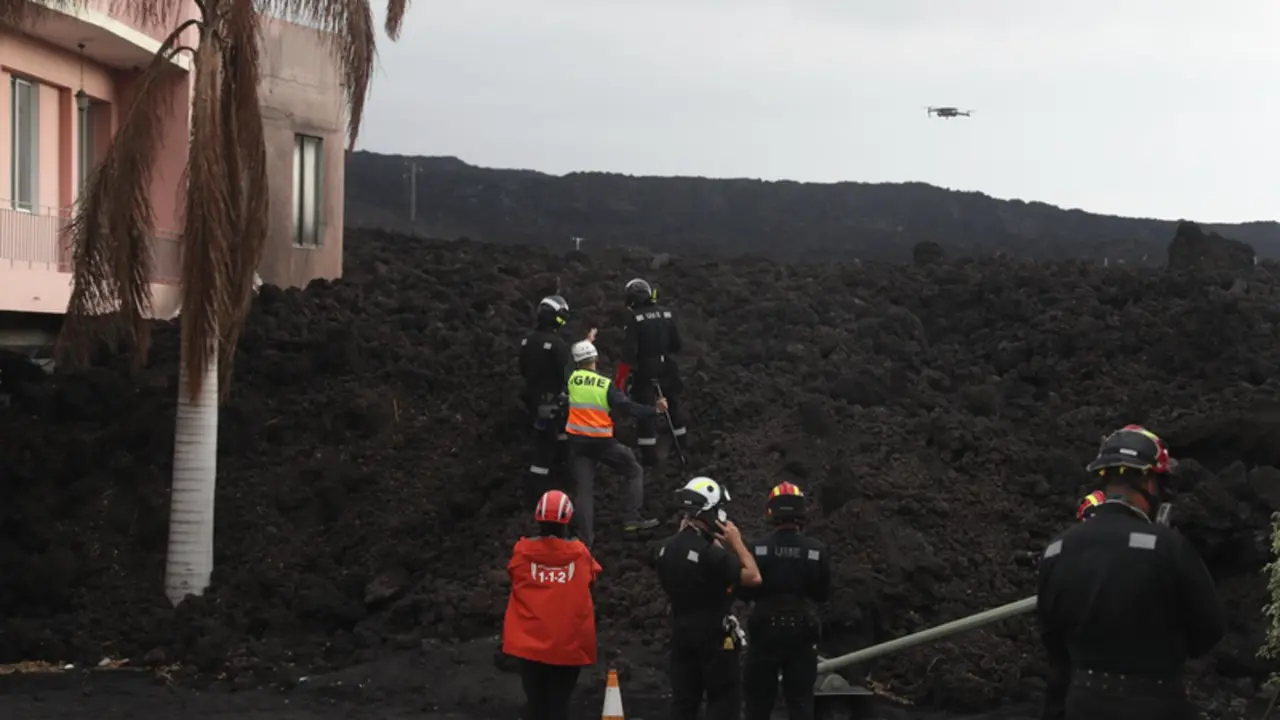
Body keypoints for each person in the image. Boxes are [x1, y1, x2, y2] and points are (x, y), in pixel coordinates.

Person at [1036, 425, 1225, 720]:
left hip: (1081, 703)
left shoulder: (1056, 550)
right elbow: (1209, 630)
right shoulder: (1167, 548)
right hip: (1154, 704)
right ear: (1149, 482)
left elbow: (1052, 639)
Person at [654, 476, 763, 720]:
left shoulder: (664, 549)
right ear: (709, 511)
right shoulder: (710, 555)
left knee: (684, 702)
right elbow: (753, 577)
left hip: (681, 634)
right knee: (723, 701)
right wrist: (737, 543)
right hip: (714, 637)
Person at [502, 490, 602, 720]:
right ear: (568, 518)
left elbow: (513, 574)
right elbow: (592, 578)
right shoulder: (579, 554)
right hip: (568, 645)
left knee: (536, 705)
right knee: (559, 706)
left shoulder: (522, 552)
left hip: (529, 645)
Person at [739, 482, 830, 720]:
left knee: (758, 704)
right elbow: (822, 594)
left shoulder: (757, 549)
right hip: (802, 631)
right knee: (800, 703)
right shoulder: (817, 550)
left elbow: (745, 591)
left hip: (764, 631)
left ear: (772, 512)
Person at [564, 339, 662, 546]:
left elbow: (571, 365)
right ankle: (632, 519)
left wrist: (586, 340)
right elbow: (629, 408)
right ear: (596, 359)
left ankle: (585, 542)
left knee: (584, 490)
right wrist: (655, 411)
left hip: (578, 443)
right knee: (634, 470)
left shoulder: (572, 379)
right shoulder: (604, 385)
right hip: (602, 442)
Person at [519, 294, 595, 505]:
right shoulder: (557, 344)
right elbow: (569, 375)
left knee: (545, 442)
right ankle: (549, 488)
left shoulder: (527, 341)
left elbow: (523, 370)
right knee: (550, 446)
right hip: (554, 404)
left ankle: (544, 485)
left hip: (533, 402)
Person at [613, 278, 687, 468]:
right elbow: (677, 344)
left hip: (645, 370)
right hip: (667, 367)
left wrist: (621, 381)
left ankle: (649, 456)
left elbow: (628, 353)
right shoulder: (667, 314)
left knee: (646, 409)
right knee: (674, 404)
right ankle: (682, 444)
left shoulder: (634, 319)